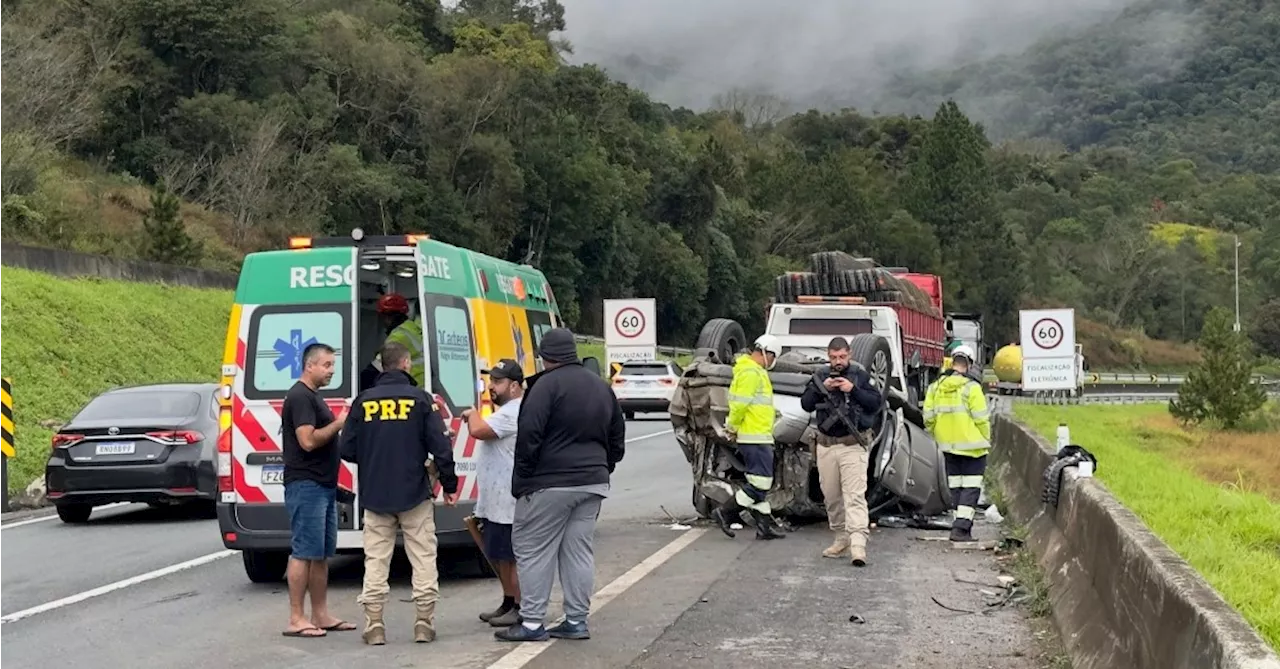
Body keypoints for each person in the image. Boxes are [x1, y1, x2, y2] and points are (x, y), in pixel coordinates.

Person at [494, 328, 626, 643]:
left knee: (532, 550)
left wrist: (524, 480)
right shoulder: (601, 387)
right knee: (578, 551)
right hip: (592, 482)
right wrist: (602, 467)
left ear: (544, 356)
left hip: (548, 483)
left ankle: (532, 623)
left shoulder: (543, 387)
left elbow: (529, 437)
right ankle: (577, 620)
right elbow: (617, 439)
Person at [339, 341, 460, 645]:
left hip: (375, 495)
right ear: (406, 364)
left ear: (382, 365)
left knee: (376, 560)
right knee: (422, 557)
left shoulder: (362, 401)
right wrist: (449, 486)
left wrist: (372, 459)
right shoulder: (420, 400)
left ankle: (375, 625)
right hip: (414, 493)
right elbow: (441, 449)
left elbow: (346, 449)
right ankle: (423, 622)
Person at [280, 342, 355, 638]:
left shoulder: (313, 396)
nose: (331, 371)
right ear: (309, 365)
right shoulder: (300, 397)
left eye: (333, 365)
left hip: (322, 485)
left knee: (322, 553)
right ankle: (297, 618)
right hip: (306, 485)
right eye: (326, 365)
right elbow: (307, 441)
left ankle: (320, 614)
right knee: (303, 552)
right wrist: (339, 423)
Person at [800, 336, 885, 566]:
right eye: (834, 357)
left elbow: (875, 403)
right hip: (826, 445)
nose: (838, 362)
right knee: (832, 497)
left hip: (852, 445)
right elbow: (805, 403)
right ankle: (841, 538)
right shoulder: (819, 376)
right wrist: (822, 389)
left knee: (855, 496)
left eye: (842, 357)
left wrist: (853, 389)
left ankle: (858, 545)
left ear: (850, 355)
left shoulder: (860, 375)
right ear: (828, 356)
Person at [462, 358, 525, 629]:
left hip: (507, 501)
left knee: (510, 556)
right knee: (499, 553)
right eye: (491, 381)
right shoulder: (507, 410)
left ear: (514, 386)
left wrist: (470, 413)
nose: (491, 387)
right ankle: (508, 601)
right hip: (497, 500)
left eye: (497, 382)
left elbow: (478, 430)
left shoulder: (514, 411)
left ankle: (520, 606)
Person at [710, 334, 787, 541]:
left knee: (758, 482)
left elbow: (753, 404)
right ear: (766, 353)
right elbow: (740, 405)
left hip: (758, 435)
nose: (772, 363)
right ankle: (725, 512)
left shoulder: (752, 371)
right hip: (754, 437)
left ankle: (764, 526)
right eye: (773, 358)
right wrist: (732, 427)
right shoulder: (751, 373)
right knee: (761, 483)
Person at [922, 344, 991, 544]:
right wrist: (986, 438)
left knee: (956, 487)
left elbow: (928, 417)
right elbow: (981, 419)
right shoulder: (972, 388)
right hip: (973, 447)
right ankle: (961, 529)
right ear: (969, 364)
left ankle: (958, 524)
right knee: (970, 488)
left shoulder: (935, 387)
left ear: (952, 362)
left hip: (947, 447)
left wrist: (938, 435)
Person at [361, 293, 425, 390]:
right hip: (421, 387)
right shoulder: (412, 328)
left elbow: (375, 369)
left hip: (411, 387)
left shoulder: (398, 337)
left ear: (387, 317)